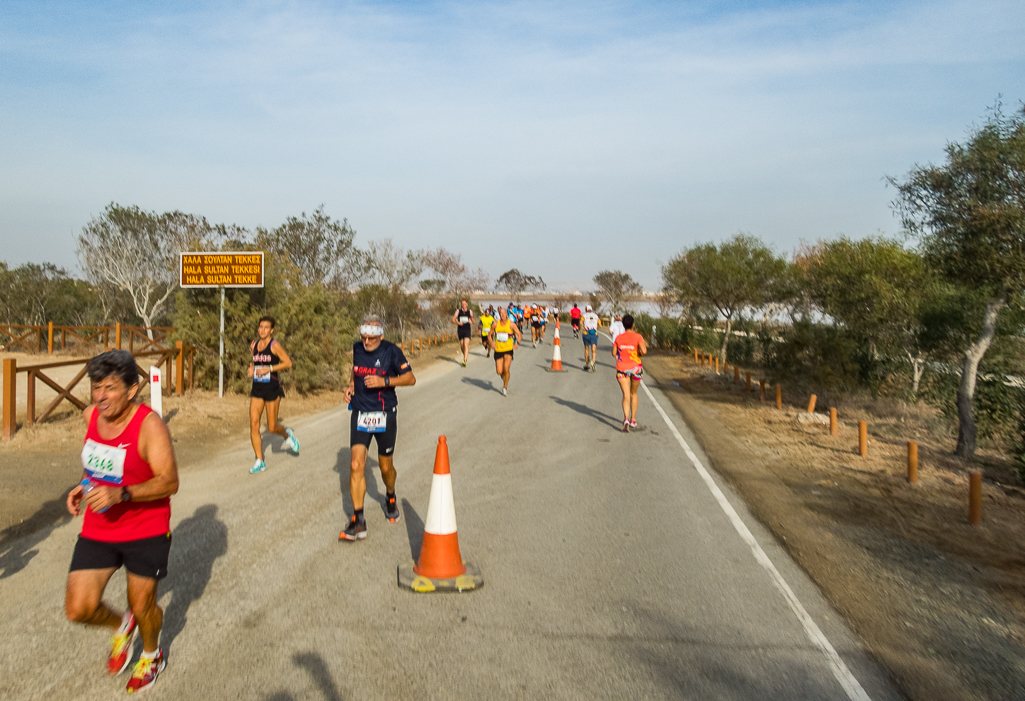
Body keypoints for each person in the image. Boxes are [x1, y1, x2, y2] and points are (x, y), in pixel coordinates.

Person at [64, 350, 180, 693]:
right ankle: (122, 623)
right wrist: (83, 486)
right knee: (78, 608)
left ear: (131, 390)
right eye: (96, 387)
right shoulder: (90, 416)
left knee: (143, 604)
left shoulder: (149, 426)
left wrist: (123, 493)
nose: (100, 396)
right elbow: (98, 463)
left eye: (110, 388)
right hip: (99, 527)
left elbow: (170, 481)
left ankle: (151, 654)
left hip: (146, 528)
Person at [340, 315, 416, 541]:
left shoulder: (392, 352)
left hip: (385, 415)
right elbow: (356, 371)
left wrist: (385, 382)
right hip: (361, 414)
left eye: (371, 338)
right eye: (364, 337)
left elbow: (410, 379)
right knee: (355, 464)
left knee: (385, 468)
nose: (366, 342)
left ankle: (390, 496)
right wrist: (351, 386)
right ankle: (358, 520)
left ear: (381, 336)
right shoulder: (357, 348)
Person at [247, 316, 299, 474]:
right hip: (257, 389)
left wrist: (269, 369)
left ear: (272, 330)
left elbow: (288, 363)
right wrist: (251, 369)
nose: (262, 330)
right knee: (254, 425)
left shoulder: (274, 345)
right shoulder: (254, 345)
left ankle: (286, 434)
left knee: (272, 427)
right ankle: (259, 460)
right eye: (260, 327)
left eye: (266, 327)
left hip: (271, 389)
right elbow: (255, 362)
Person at [613, 314, 648, 432]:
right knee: (634, 393)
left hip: (622, 369)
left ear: (623, 325)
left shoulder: (618, 338)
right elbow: (643, 350)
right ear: (633, 325)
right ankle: (633, 419)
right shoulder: (638, 337)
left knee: (626, 394)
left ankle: (626, 419)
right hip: (636, 368)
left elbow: (614, 353)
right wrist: (638, 353)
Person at [489, 306, 522, 396]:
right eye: (501, 314)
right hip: (498, 349)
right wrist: (492, 343)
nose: (502, 315)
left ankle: (504, 387)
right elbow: (489, 335)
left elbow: (519, 335)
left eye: (504, 313)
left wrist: (516, 343)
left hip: (508, 350)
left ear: (507, 314)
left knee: (506, 368)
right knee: (499, 371)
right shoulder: (496, 324)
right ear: (499, 314)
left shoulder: (511, 324)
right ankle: (504, 377)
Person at [451, 300, 474, 367]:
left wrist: (471, 321)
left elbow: (473, 320)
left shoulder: (470, 311)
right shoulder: (458, 311)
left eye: (464, 304)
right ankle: (465, 354)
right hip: (460, 330)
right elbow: (452, 320)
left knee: (465, 344)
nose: (463, 305)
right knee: (462, 345)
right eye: (462, 304)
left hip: (467, 329)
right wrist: (457, 323)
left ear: (467, 304)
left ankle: (464, 360)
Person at [581, 304, 600, 371]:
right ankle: (593, 361)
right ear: (591, 310)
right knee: (593, 349)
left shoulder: (584, 315)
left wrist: (580, 329)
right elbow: (600, 324)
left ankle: (587, 364)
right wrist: (597, 329)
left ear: (586, 310)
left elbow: (581, 322)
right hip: (594, 333)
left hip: (586, 333)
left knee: (586, 348)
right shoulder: (595, 316)